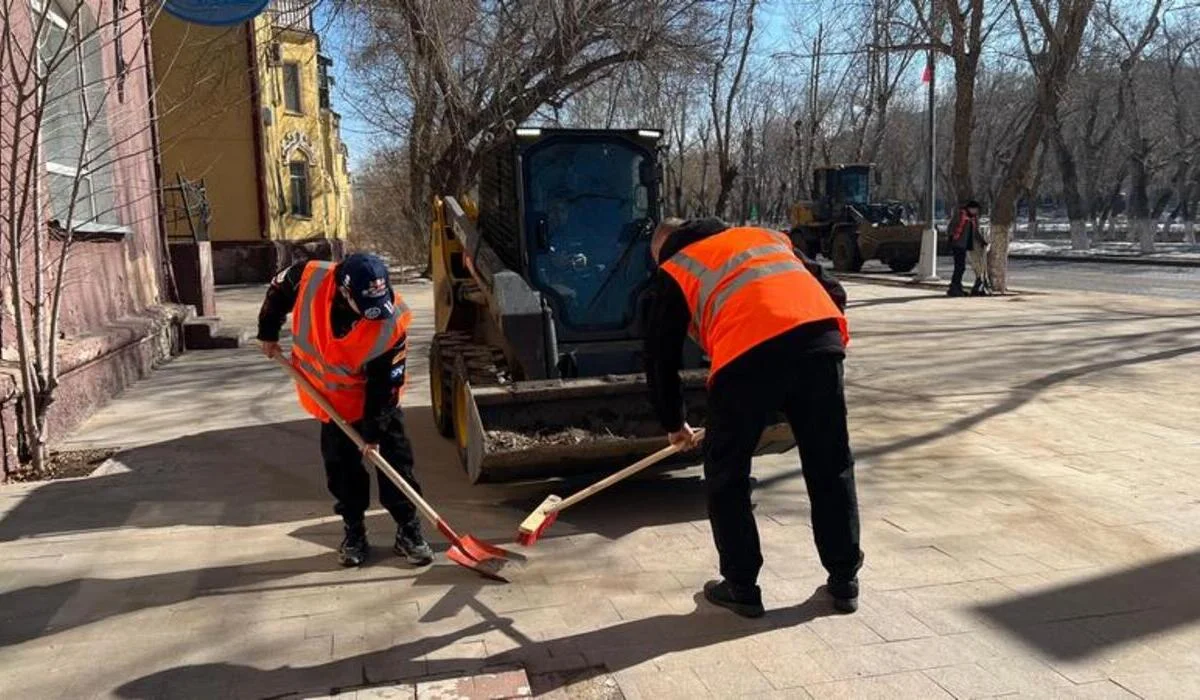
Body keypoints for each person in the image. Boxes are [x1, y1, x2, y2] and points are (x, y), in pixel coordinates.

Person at [645, 217, 864, 618]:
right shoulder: (765, 237)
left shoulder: (675, 267)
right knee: (830, 462)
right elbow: (833, 290)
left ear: (663, 249)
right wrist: (807, 351)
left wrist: (674, 422)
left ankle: (741, 585)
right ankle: (844, 577)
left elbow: (661, 355)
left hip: (745, 356)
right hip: (820, 344)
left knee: (727, 471)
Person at [257, 253, 433, 568]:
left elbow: (384, 387)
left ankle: (408, 530)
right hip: (329, 400)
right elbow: (278, 291)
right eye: (365, 306)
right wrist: (268, 331)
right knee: (342, 472)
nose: (373, 315)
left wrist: (373, 435)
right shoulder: (309, 277)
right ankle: (354, 532)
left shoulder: (391, 324)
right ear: (344, 291)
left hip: (375, 400)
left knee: (396, 465)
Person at [947, 200, 989, 297]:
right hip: (957, 244)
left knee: (960, 267)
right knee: (960, 267)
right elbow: (951, 227)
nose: (976, 212)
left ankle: (957, 287)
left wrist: (982, 241)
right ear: (970, 208)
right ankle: (954, 287)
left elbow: (976, 232)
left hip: (965, 245)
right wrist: (951, 238)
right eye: (975, 209)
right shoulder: (960, 215)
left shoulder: (973, 218)